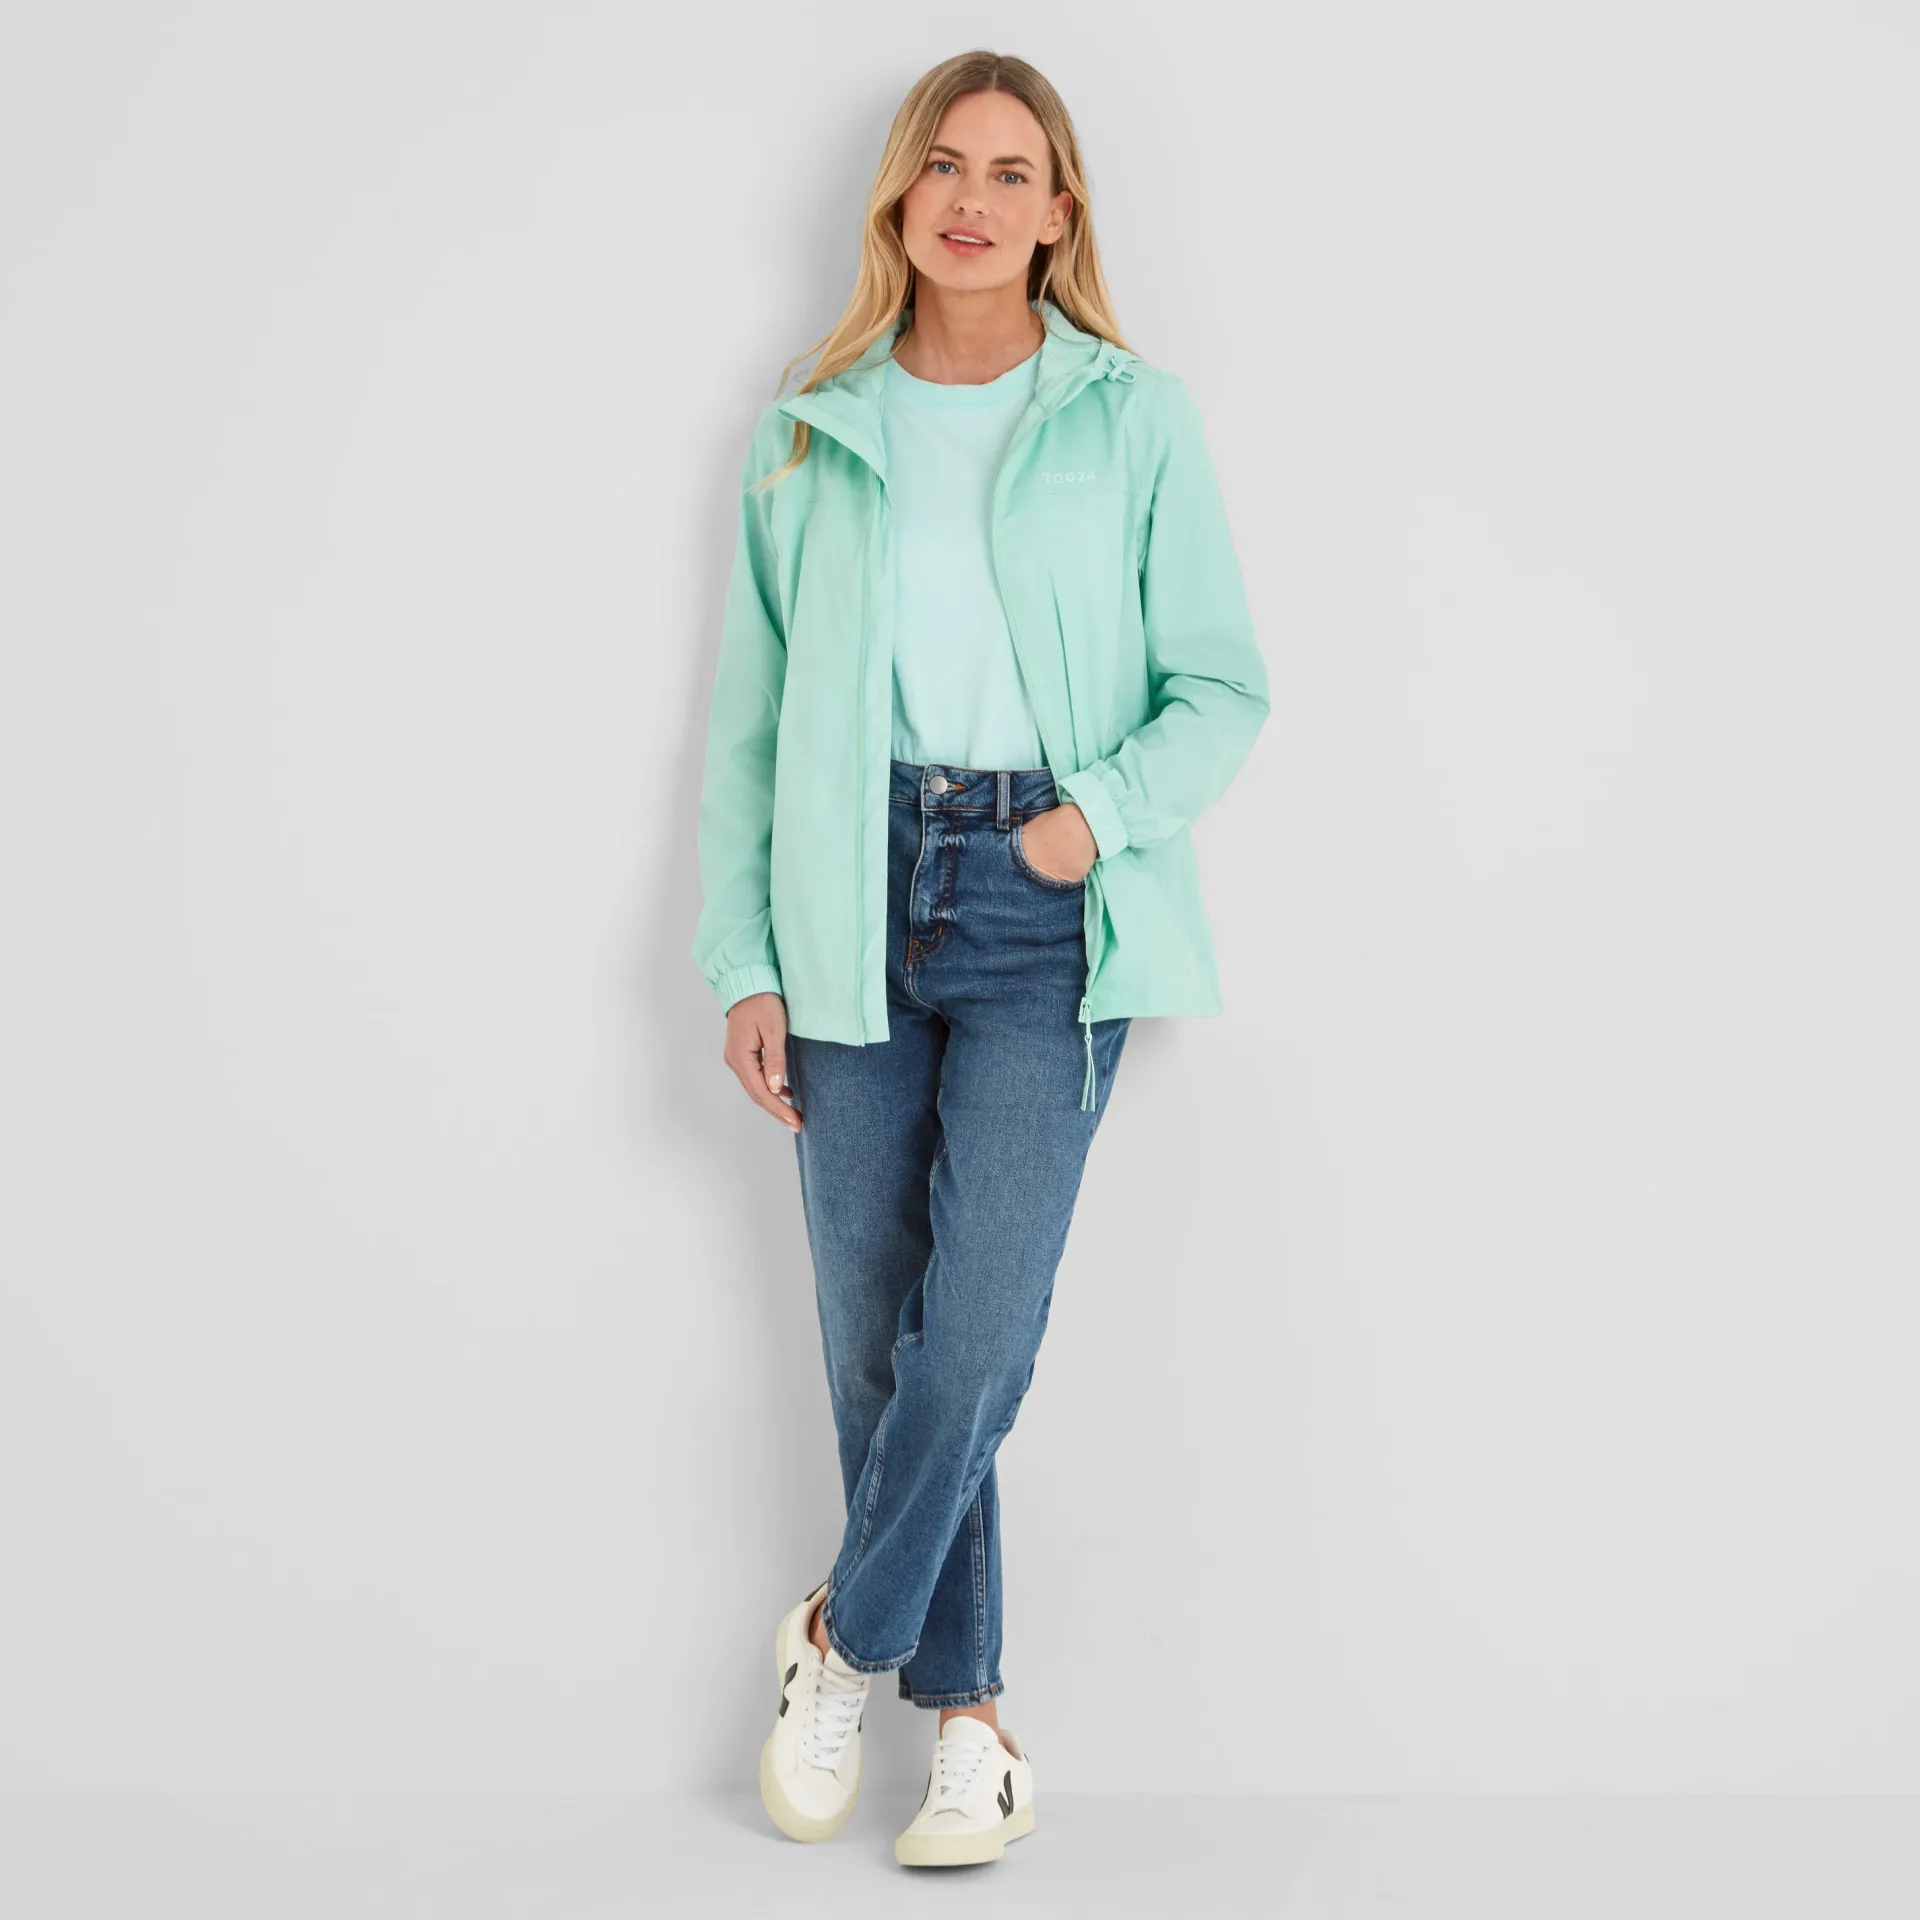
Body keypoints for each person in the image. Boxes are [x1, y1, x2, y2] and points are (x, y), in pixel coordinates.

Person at [691, 49, 1268, 1869]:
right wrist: (743, 957)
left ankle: (838, 1635)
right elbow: (751, 729)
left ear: (1059, 212)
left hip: (1043, 903)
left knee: (976, 1340)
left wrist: (1089, 821)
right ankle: (975, 1733)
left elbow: (1222, 688)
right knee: (879, 1345)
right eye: (944, 165)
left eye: (1013, 172)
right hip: (843, 899)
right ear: (900, 194)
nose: (972, 199)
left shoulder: (1133, 418)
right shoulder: (813, 427)